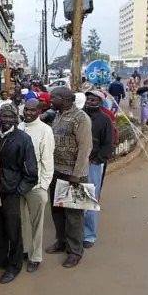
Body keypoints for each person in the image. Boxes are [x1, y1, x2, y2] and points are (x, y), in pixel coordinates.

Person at [45, 89, 93, 268]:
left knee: (74, 215)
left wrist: (77, 173)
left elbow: (85, 148)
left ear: (66, 100)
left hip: (74, 174)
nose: (50, 99)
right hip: (56, 171)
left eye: (54, 97)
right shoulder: (57, 115)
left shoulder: (81, 118)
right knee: (57, 210)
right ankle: (62, 241)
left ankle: (75, 251)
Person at [0, 104, 38, 284]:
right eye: (4, 116)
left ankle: (14, 265)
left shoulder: (23, 139)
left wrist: (19, 191)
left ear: (15, 118)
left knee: (13, 230)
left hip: (11, 191)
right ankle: (0, 259)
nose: (7, 120)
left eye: (10, 116)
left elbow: (32, 171)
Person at [18, 99, 54, 273]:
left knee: (36, 223)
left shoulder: (45, 131)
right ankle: (25, 250)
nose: (28, 113)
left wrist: (43, 185)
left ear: (39, 112)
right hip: (18, 184)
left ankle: (35, 257)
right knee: (22, 220)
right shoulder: (19, 128)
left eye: (33, 110)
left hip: (36, 185)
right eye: (26, 110)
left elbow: (47, 160)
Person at [83, 91, 114, 249]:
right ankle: (76, 232)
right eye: (88, 99)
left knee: (90, 199)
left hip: (93, 164)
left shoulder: (105, 119)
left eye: (94, 100)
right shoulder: (80, 116)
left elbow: (108, 144)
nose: (90, 102)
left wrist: (97, 159)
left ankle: (89, 235)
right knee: (75, 198)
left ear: (101, 103)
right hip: (77, 163)